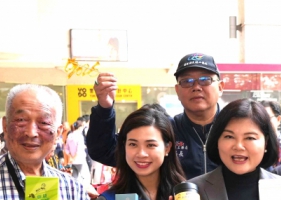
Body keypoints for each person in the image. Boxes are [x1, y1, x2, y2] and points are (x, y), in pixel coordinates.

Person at [87, 53, 224, 179]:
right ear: (177, 90)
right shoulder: (165, 129)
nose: (196, 87)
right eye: (187, 81)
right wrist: (105, 107)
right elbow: (104, 151)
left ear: (220, 87)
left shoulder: (231, 128)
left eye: (205, 80)